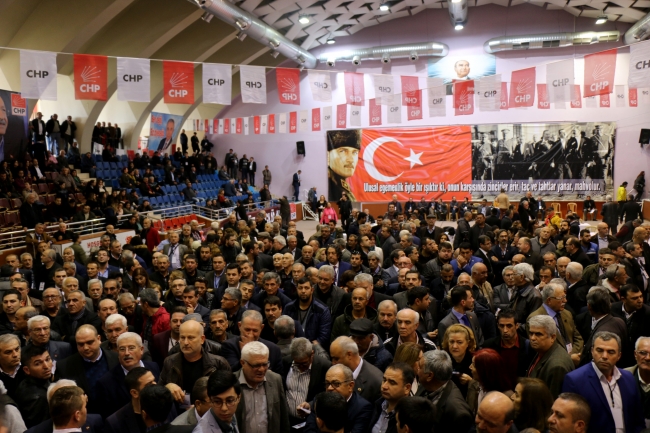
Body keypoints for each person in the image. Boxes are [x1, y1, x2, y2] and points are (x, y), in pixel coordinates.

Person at [562, 331, 645, 433]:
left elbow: (638, 420)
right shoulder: (574, 380)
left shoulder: (628, 378)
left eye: (611, 352)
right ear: (592, 351)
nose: (604, 356)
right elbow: (569, 424)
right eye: (600, 350)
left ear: (619, 355)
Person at [159, 320, 230, 403]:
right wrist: (168, 386)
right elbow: (158, 391)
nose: (185, 342)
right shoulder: (169, 362)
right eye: (182, 338)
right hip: (178, 411)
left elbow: (229, 393)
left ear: (202, 339)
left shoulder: (219, 363)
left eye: (190, 338)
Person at [299, 363, 373, 433]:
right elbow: (309, 429)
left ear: (350, 386)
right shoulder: (319, 400)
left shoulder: (362, 408)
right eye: (327, 383)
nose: (330, 388)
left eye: (336, 384)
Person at [234, 341, 289, 433]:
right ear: (243, 363)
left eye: (265, 364)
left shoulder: (275, 380)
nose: (262, 369)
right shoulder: (231, 382)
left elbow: (284, 417)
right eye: (256, 365)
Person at [416, 349, 473, 431]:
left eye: (420, 367)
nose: (417, 369)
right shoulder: (425, 384)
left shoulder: (458, 414)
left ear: (429, 376)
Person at [527, 283, 583, 366]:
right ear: (549, 300)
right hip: (553, 365)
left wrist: (573, 355)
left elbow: (577, 338)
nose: (565, 301)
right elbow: (538, 347)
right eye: (561, 298)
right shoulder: (535, 318)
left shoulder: (567, 314)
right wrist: (568, 358)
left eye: (565, 297)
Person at [527, 315, 574, 399]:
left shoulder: (557, 366)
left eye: (538, 334)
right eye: (531, 333)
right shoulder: (543, 350)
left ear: (552, 337)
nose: (533, 338)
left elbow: (553, 401)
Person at [329, 336, 383, 404]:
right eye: (332, 359)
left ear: (349, 355)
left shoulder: (376, 381)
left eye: (336, 359)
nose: (333, 363)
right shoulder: (333, 370)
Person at [367, 362, 414, 433]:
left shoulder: (410, 416)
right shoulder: (376, 404)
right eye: (384, 380)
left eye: (392, 382)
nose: (384, 386)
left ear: (407, 388)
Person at [15, 344, 53, 428]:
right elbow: (40, 429)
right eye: (38, 364)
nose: (46, 366)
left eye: (48, 359)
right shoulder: (38, 398)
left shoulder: (37, 380)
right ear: (27, 370)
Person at [327, 130, 359, 201]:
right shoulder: (331, 187)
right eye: (343, 151)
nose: (351, 159)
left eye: (355, 152)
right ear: (328, 156)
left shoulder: (342, 187)